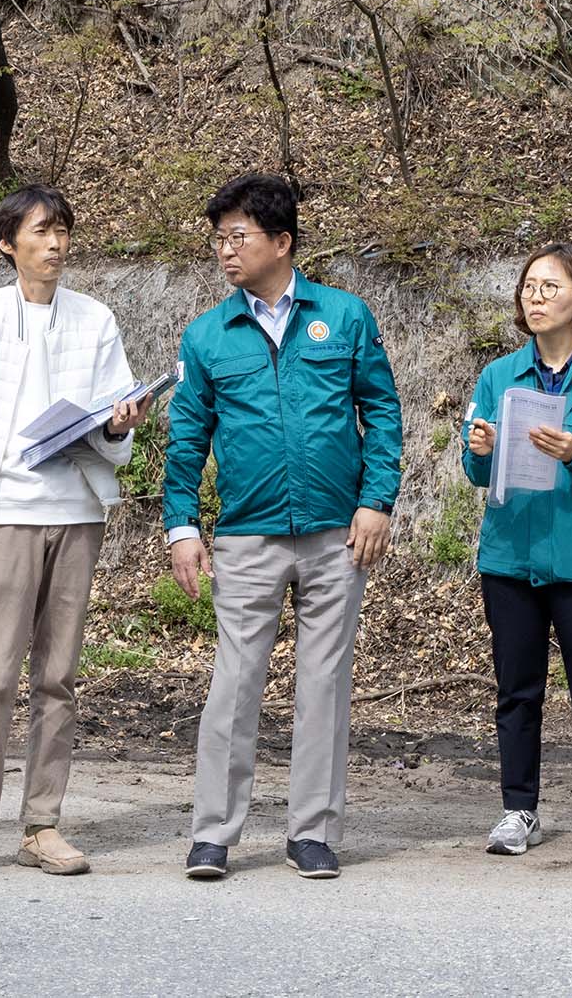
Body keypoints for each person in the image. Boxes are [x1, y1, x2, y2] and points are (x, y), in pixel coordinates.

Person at [166, 173, 402, 882]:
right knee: (234, 684)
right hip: (247, 534)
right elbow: (186, 438)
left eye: (238, 236)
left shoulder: (345, 316)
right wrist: (181, 524)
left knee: (324, 685)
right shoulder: (208, 335)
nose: (225, 250)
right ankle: (214, 833)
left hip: (337, 534)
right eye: (219, 238)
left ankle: (313, 833)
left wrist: (377, 501)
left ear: (282, 242)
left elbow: (382, 411)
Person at [0, 184, 152, 882]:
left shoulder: (94, 318)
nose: (55, 244)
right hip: (4, 516)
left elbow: (117, 432)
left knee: (58, 677)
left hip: (77, 514)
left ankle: (42, 823)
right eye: (40, 231)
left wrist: (120, 425)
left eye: (62, 231)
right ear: (8, 243)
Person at [462, 244, 572, 860]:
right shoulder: (498, 377)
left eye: (549, 287)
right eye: (528, 287)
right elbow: (473, 469)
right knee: (517, 690)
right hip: (510, 557)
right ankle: (519, 809)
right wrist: (480, 451)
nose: (535, 297)